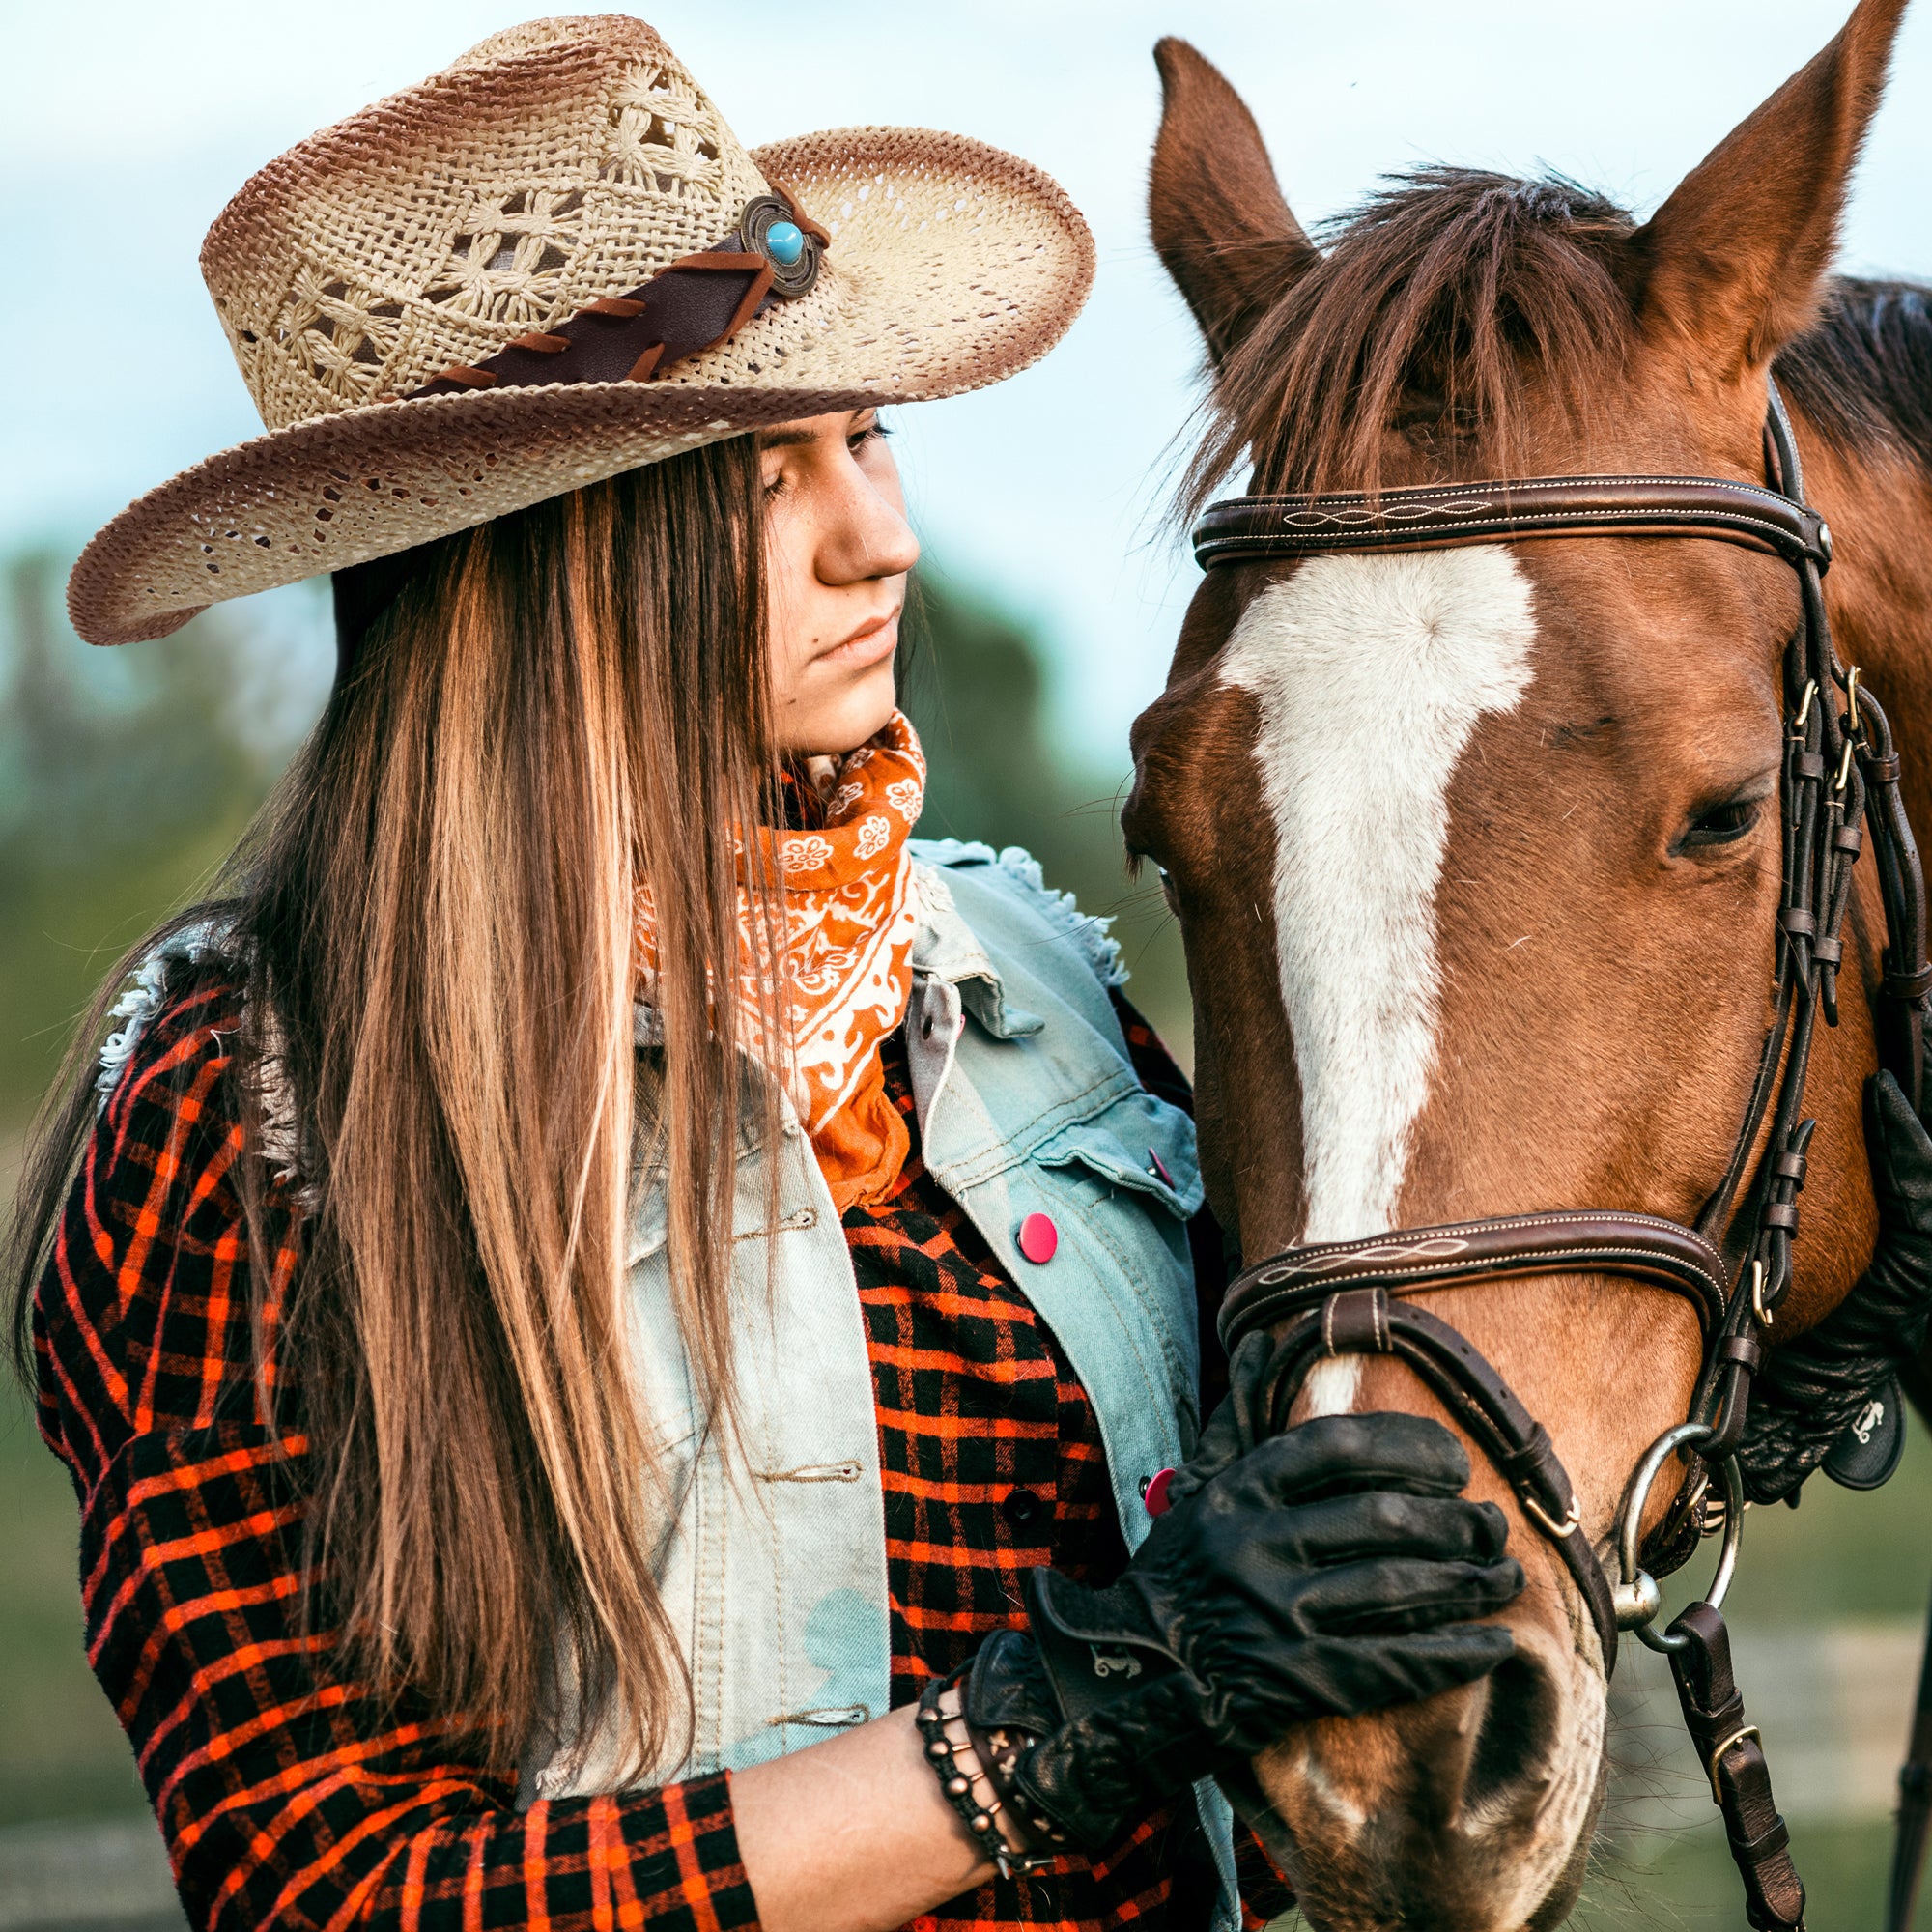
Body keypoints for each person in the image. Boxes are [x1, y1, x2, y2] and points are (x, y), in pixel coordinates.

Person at [7, 20, 1523, 1931]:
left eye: (866, 437)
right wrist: (1071, 1714)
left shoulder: (1030, 987)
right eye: (759, 472)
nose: (876, 537)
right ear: (539, 559)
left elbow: (1357, 1510)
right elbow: (337, 1891)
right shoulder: (255, 1125)